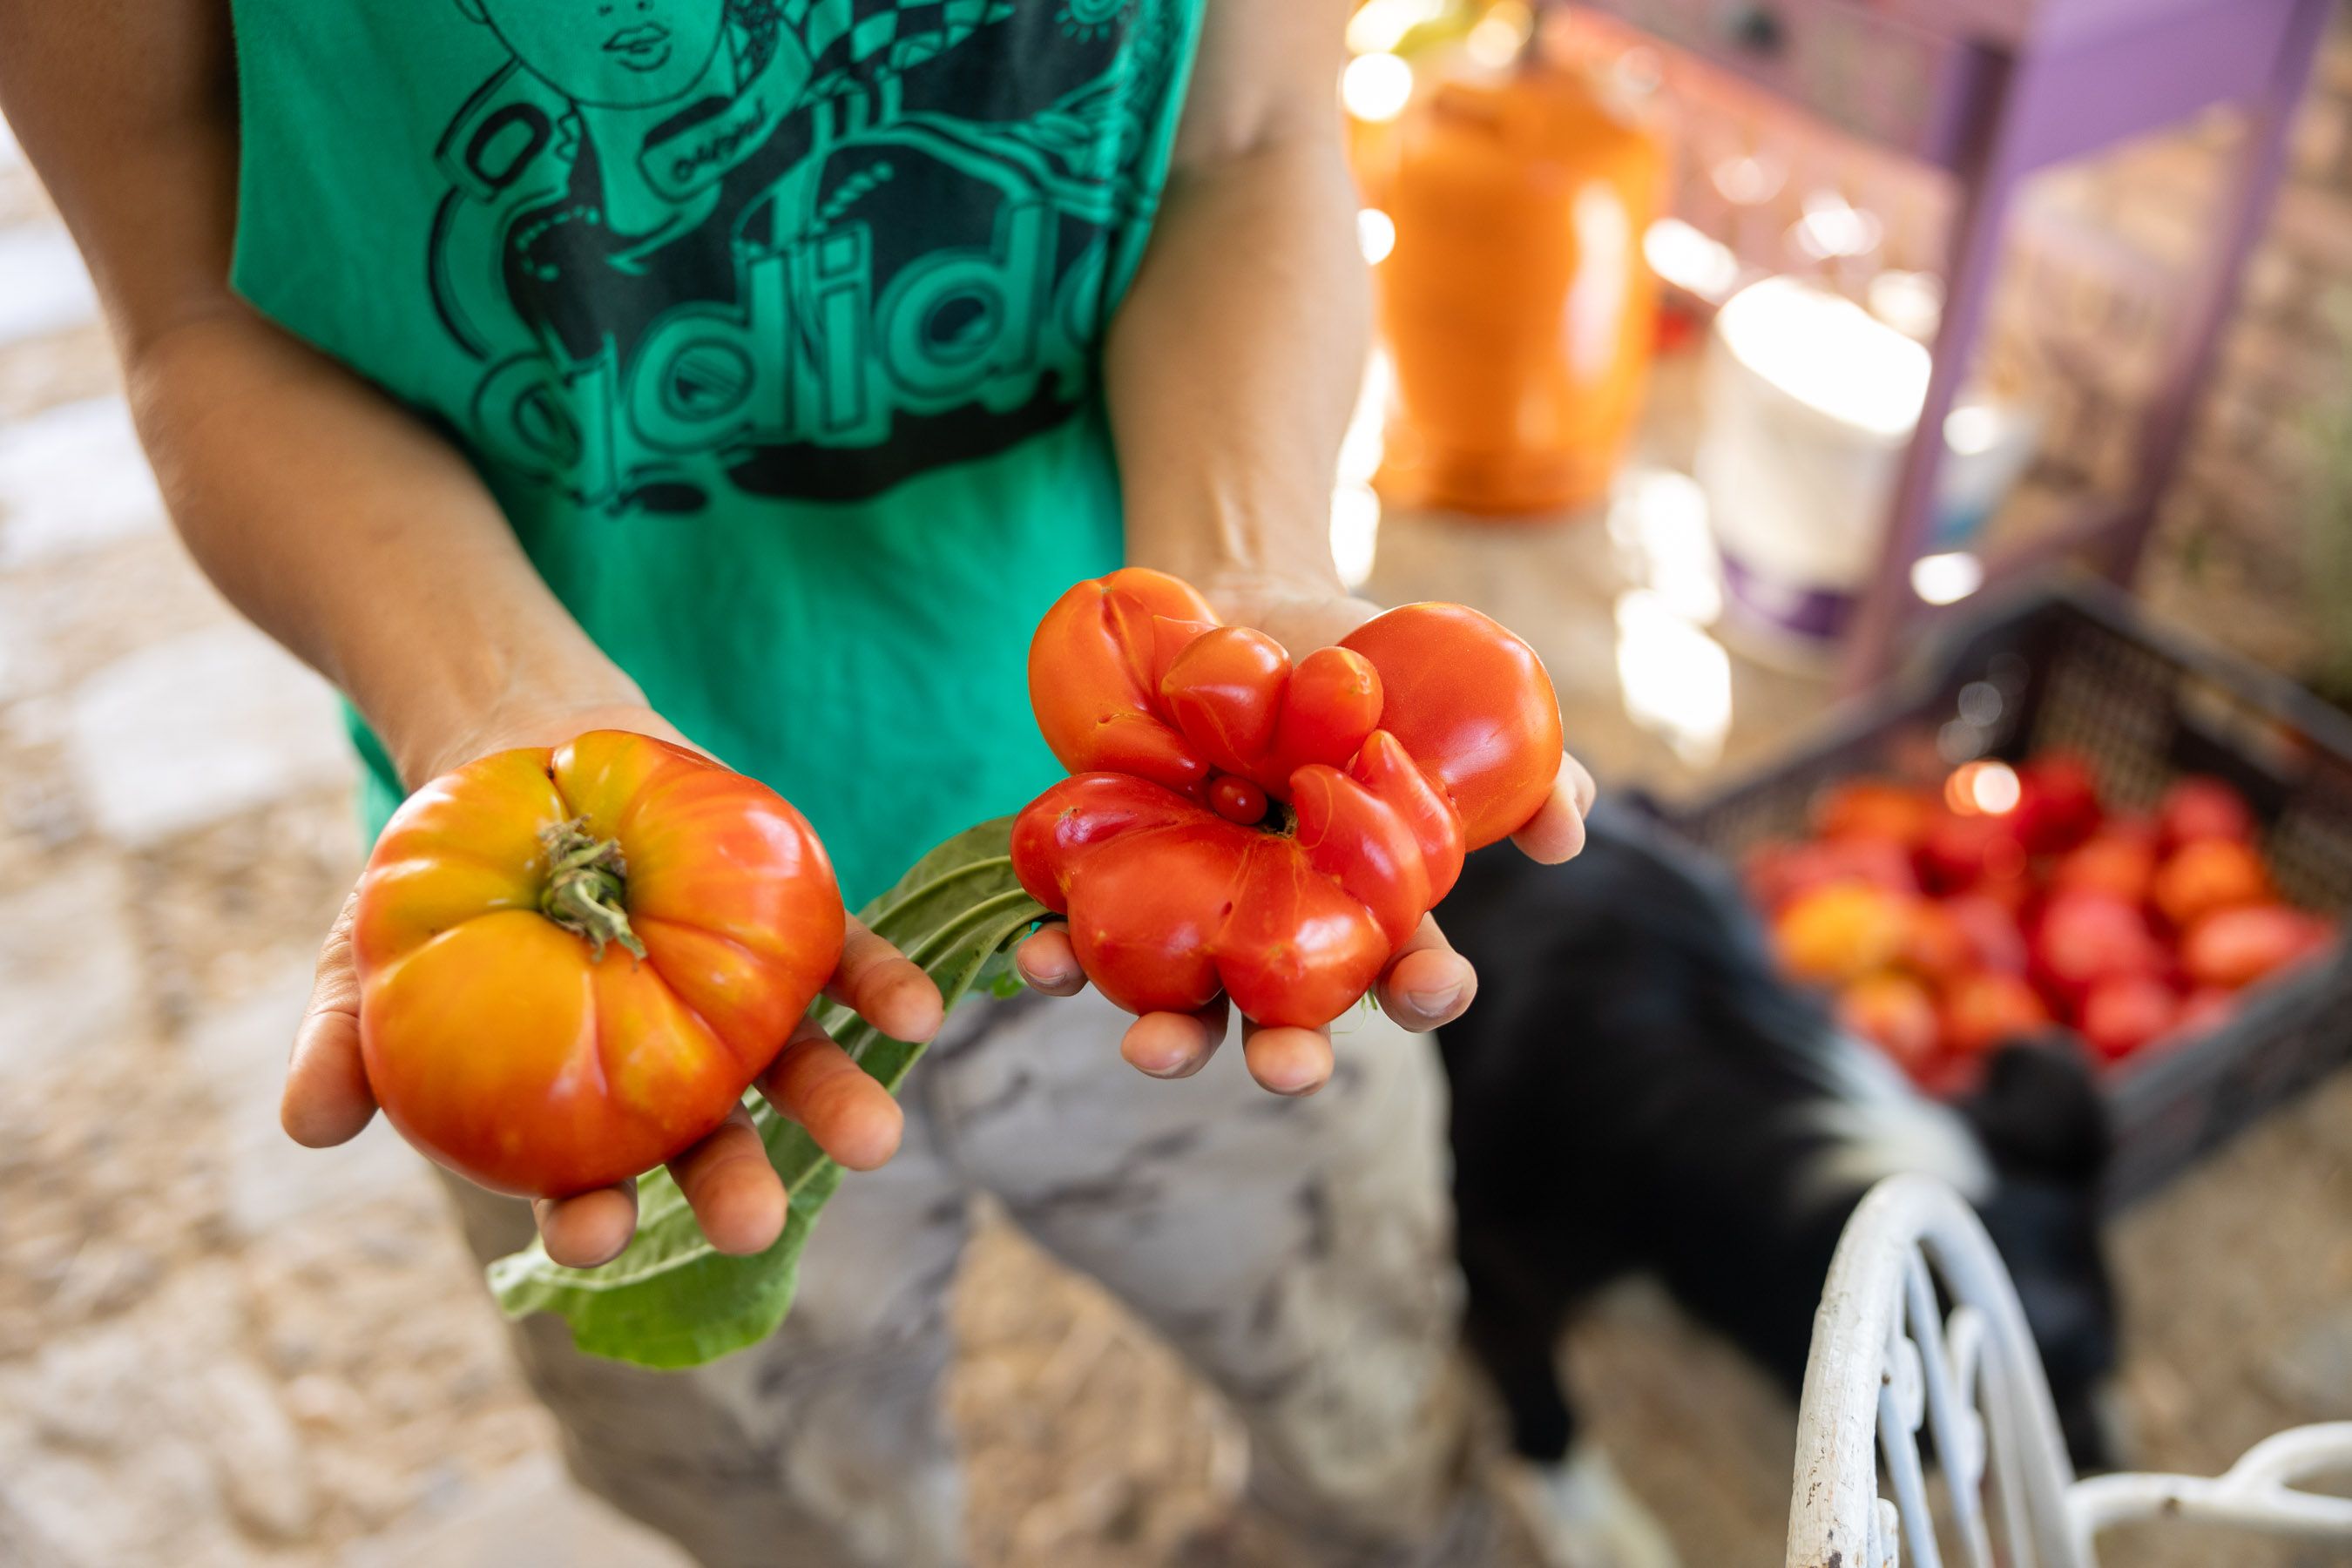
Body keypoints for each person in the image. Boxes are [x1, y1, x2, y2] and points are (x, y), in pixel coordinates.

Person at [0, 2, 1597, 1563]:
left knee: (1361, 1374)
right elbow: (200, 314)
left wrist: (1239, 579)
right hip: (567, 942)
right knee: (787, 1499)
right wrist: (495, 707)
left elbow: (1243, 140)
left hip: (1153, 822)